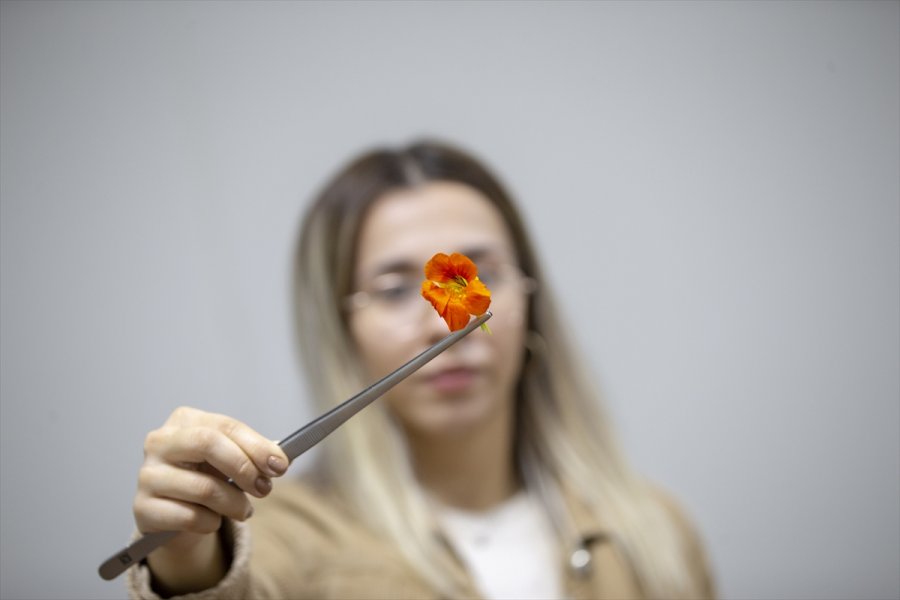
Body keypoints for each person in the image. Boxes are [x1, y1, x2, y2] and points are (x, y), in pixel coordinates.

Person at [128, 140, 715, 599]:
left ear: (530, 300)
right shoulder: (279, 540)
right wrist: (189, 557)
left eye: (477, 275)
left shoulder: (655, 531)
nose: (446, 323)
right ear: (342, 333)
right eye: (393, 289)